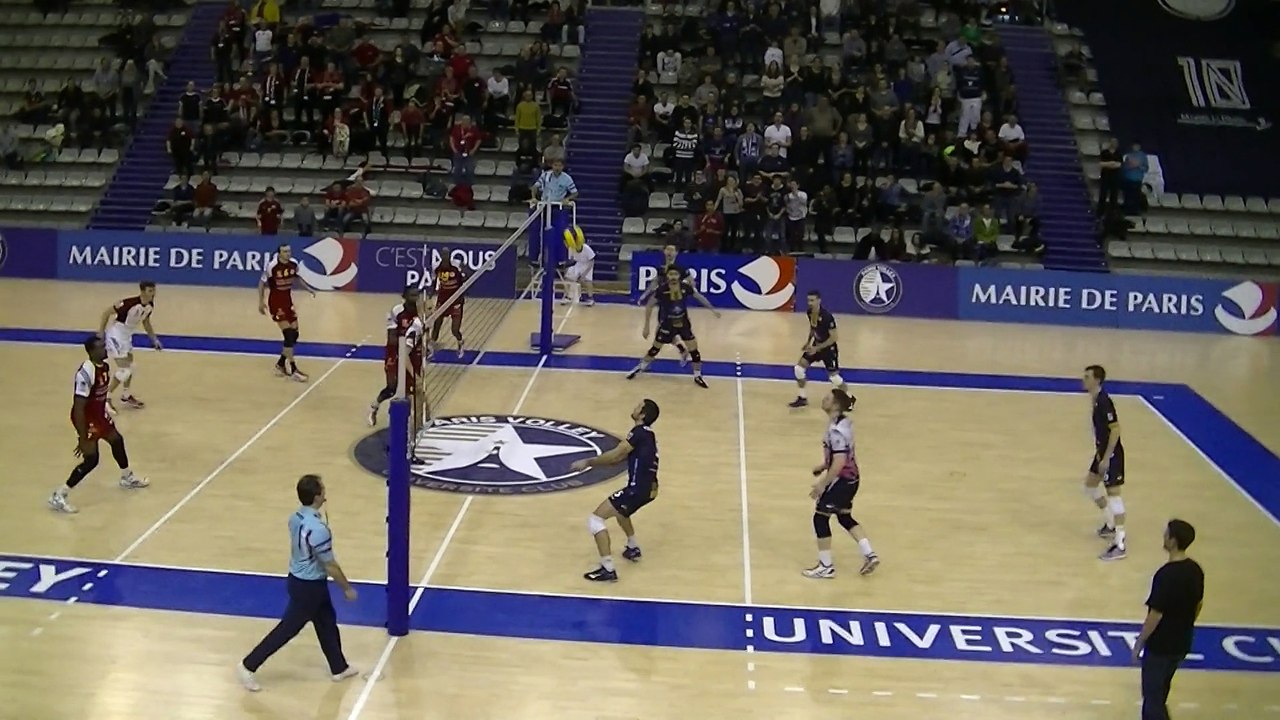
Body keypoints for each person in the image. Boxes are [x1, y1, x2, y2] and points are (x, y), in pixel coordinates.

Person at [237, 474, 360, 691]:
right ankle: (248, 666)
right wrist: (347, 588)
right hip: (308, 587)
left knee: (326, 622)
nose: (325, 493)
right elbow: (330, 565)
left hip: (303, 580)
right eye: (322, 490)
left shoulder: (295, 517)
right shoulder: (319, 530)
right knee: (288, 629)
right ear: (316, 496)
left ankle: (339, 667)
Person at [49, 337, 151, 513]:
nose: (106, 349)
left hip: (99, 415)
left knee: (117, 440)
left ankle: (126, 477)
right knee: (91, 460)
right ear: (92, 351)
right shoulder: (86, 372)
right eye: (102, 347)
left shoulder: (104, 366)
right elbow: (79, 407)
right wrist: (83, 437)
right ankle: (60, 494)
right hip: (87, 418)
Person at [570, 399, 661, 582]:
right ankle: (632, 547)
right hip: (650, 489)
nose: (633, 407)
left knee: (595, 520)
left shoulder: (638, 433)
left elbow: (616, 455)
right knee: (621, 512)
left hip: (637, 489)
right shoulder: (648, 435)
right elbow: (622, 458)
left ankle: (607, 568)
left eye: (638, 406)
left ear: (642, 414)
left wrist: (589, 462)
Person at [1132, 519, 1204, 720]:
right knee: (1160, 693)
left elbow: (1155, 614)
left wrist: (1140, 643)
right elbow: (1198, 604)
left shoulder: (1165, 575)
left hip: (1161, 645)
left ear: (1172, 541)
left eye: (1166, 533)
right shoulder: (1195, 570)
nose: (1163, 536)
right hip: (1182, 642)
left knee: (1153, 699)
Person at [803, 388, 879, 578]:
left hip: (842, 480)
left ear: (835, 404)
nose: (823, 399)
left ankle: (826, 566)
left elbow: (839, 461)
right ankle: (869, 554)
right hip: (852, 479)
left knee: (820, 517)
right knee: (844, 517)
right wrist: (823, 465)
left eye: (827, 398)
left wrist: (822, 483)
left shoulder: (836, 430)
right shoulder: (844, 423)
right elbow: (843, 454)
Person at [627, 266, 719, 387]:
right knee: (654, 349)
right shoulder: (661, 290)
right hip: (667, 324)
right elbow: (649, 305)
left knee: (694, 351)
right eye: (671, 274)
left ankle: (697, 375)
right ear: (667, 276)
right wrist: (646, 326)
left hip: (683, 323)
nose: (673, 277)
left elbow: (699, 297)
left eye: (676, 274)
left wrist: (712, 309)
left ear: (679, 276)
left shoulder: (686, 287)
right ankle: (641, 367)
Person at [1082, 365, 1128, 560]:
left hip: (1111, 455)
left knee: (1114, 495)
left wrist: (1107, 457)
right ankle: (1110, 524)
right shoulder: (1095, 400)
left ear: (1097, 380)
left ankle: (1120, 543)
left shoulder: (1104, 401)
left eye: (1087, 377)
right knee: (1090, 487)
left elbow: (1115, 430)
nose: (1083, 380)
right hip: (1101, 452)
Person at [98, 281, 162, 410]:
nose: (153, 294)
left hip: (127, 336)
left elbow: (146, 322)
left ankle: (125, 396)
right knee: (124, 370)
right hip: (116, 334)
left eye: (154, 291)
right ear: (143, 291)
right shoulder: (128, 303)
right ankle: (105, 398)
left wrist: (154, 339)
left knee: (131, 367)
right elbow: (106, 312)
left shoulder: (149, 305)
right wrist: (101, 333)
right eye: (150, 291)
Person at [259, 243, 318, 382]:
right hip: (276, 303)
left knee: (295, 334)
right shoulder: (272, 266)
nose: (288, 253)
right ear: (279, 253)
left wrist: (308, 288)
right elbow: (261, 283)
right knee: (288, 334)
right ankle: (293, 369)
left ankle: (280, 364)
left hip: (288, 302)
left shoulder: (293, 264)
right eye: (285, 251)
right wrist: (261, 302)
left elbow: (297, 277)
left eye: (289, 251)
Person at [369, 285, 427, 427]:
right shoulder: (397, 311)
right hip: (394, 351)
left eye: (417, 296)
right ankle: (374, 407)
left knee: (412, 389)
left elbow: (424, 332)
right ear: (404, 297)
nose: (415, 298)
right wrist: (408, 338)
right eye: (412, 296)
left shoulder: (421, 312)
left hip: (412, 352)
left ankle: (403, 421)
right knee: (393, 387)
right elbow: (392, 337)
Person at [789, 291, 846, 408]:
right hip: (816, 346)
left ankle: (848, 399)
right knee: (798, 369)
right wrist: (808, 342)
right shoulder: (809, 312)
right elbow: (813, 327)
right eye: (808, 300)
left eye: (812, 300)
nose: (810, 303)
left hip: (828, 349)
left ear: (819, 300)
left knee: (834, 378)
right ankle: (802, 397)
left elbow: (834, 338)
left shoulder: (827, 317)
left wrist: (817, 348)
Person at [636, 244, 690, 365]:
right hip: (664, 305)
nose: (669, 252)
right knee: (664, 332)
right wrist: (644, 295)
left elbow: (691, 282)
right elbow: (654, 283)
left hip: (675, 306)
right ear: (664, 251)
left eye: (672, 250)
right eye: (667, 250)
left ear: (676, 253)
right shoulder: (662, 269)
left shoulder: (680, 269)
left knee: (662, 333)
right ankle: (682, 350)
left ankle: (647, 361)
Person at [429, 249, 468, 358]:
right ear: (441, 256)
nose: (446, 256)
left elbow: (467, 276)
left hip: (456, 300)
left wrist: (464, 284)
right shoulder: (436, 266)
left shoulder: (457, 265)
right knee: (437, 325)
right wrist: (430, 296)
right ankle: (431, 348)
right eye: (444, 254)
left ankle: (460, 342)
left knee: (455, 330)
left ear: (450, 255)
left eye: (447, 254)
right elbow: (433, 281)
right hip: (442, 300)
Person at [562, 232, 596, 306]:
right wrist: (567, 268)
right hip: (578, 264)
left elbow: (592, 261)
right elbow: (571, 260)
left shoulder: (586, 248)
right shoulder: (571, 248)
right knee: (568, 277)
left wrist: (584, 275)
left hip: (588, 264)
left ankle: (590, 298)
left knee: (588, 281)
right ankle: (568, 296)